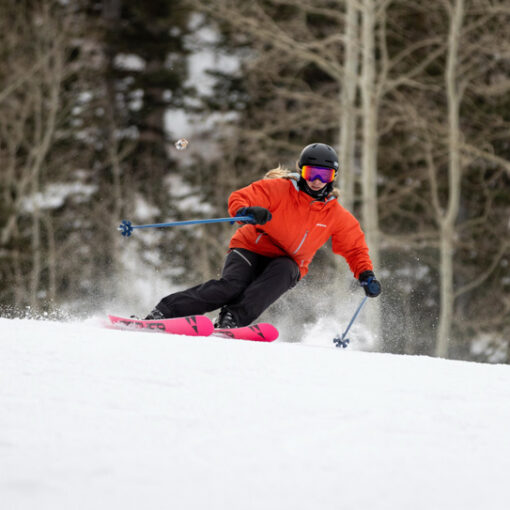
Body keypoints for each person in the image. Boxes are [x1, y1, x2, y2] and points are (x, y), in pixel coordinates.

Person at [145, 143, 381, 328]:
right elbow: (241, 197)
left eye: (324, 175)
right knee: (231, 288)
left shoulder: (336, 215)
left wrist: (366, 274)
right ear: (301, 171)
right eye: (311, 173)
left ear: (333, 177)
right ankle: (164, 312)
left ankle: (232, 320)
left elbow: (354, 248)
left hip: (287, 262)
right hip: (251, 248)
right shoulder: (280, 190)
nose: (317, 181)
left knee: (286, 271)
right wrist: (246, 211)